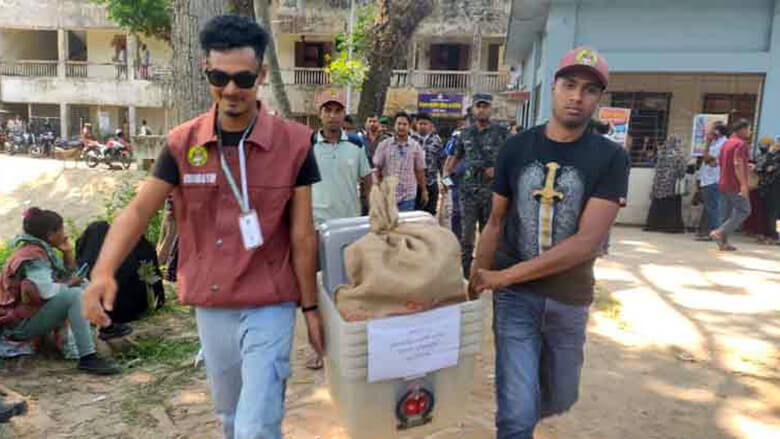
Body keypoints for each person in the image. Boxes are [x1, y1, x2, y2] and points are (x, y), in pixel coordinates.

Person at [81, 15, 323, 439]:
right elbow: (139, 211)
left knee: (256, 425)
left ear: (262, 75)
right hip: (212, 305)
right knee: (231, 419)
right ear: (204, 70)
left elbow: (303, 234)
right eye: (219, 76)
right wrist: (101, 272)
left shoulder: (296, 144)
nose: (231, 89)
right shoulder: (182, 144)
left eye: (243, 78)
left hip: (271, 303)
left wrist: (311, 308)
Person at [469, 46, 629, 439]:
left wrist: (504, 276)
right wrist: (476, 276)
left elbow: (587, 243)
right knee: (517, 414)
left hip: (568, 299)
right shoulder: (516, 148)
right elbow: (495, 221)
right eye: (569, 85)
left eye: (589, 90)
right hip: (516, 302)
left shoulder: (611, 158)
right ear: (553, 88)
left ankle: (531, 402)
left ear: (598, 99)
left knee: (560, 397)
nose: (577, 96)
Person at [0, 208, 121, 375]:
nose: (64, 233)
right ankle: (88, 357)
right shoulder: (33, 257)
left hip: (28, 316)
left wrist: (68, 253)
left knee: (82, 285)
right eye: (61, 229)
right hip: (18, 327)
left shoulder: (38, 250)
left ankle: (107, 326)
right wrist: (70, 283)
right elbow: (46, 291)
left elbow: (66, 275)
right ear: (50, 235)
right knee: (75, 294)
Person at [443, 93, 508, 276]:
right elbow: (453, 159)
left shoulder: (501, 132)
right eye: (478, 106)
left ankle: (488, 272)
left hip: (492, 192)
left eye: (485, 106)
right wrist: (446, 180)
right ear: (473, 109)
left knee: (491, 234)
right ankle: (465, 275)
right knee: (466, 236)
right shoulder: (465, 133)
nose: (481, 109)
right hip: (468, 193)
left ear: (491, 109)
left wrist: (498, 170)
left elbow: (512, 158)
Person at [710, 119, 752, 251]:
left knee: (726, 214)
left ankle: (723, 243)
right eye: (749, 129)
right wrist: (744, 185)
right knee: (744, 210)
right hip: (734, 184)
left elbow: (721, 162)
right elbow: (737, 164)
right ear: (742, 130)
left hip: (723, 182)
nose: (750, 132)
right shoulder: (741, 144)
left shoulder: (726, 143)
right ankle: (720, 232)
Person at [373, 112, 427, 212]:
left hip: (408, 197)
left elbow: (419, 171)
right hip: (387, 195)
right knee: (389, 226)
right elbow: (376, 169)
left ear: (410, 126)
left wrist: (424, 190)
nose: (401, 127)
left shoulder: (416, 147)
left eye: (404, 124)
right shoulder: (384, 145)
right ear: (394, 125)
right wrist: (376, 185)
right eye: (399, 124)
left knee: (404, 226)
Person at [643, 137, 686, 233]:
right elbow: (681, 172)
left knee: (657, 205)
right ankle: (671, 227)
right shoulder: (678, 156)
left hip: (659, 185)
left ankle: (653, 226)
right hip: (671, 185)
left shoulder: (661, 154)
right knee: (672, 206)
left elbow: (656, 168)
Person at [695, 123, 728, 240]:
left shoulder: (721, 144)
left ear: (717, 132)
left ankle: (716, 233)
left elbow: (708, 159)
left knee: (713, 209)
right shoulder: (716, 143)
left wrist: (707, 143)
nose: (708, 133)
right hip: (707, 179)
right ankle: (706, 232)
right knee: (709, 208)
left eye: (711, 130)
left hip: (713, 180)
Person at [415, 112, 443, 215]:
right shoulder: (411, 140)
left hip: (431, 182)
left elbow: (441, 162)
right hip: (414, 184)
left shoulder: (436, 140)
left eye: (425, 124)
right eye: (420, 123)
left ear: (430, 125)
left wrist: (445, 181)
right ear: (416, 125)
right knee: (415, 215)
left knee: (430, 214)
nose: (422, 126)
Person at [756, 137, 780, 244]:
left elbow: (769, 168)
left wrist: (770, 157)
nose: (777, 145)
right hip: (769, 187)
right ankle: (770, 234)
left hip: (776, 187)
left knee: (774, 213)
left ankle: (774, 236)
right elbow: (763, 167)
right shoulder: (774, 155)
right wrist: (770, 154)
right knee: (769, 211)